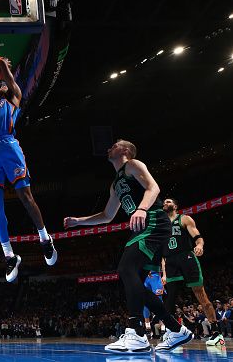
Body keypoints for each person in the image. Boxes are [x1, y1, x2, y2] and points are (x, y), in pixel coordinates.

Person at [63, 140, 193, 353]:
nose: (109, 147)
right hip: (142, 226)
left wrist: (141, 208)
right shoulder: (115, 184)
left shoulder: (132, 164)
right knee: (137, 285)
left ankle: (137, 333)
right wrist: (80, 221)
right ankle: (176, 329)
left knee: (126, 268)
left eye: (114, 145)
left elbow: (154, 187)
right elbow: (107, 216)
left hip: (152, 220)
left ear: (124, 150)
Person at [0, 57, 57, 282]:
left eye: (1, 83)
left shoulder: (14, 99)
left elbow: (9, 78)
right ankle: (10, 256)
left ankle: (45, 239)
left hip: (8, 147)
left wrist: (0, 65)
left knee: (25, 196)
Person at [161, 197, 225, 347]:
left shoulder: (184, 219)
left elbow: (198, 237)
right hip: (170, 261)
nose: (165, 203)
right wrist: (163, 273)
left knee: (200, 293)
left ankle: (216, 333)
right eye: (164, 202)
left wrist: (200, 246)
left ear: (175, 206)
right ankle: (173, 333)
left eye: (169, 202)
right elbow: (162, 254)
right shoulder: (161, 225)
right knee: (170, 297)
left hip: (186, 257)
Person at [143, 270, 165, 338]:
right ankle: (148, 331)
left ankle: (163, 332)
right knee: (145, 304)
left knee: (159, 303)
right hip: (145, 276)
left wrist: (164, 275)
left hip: (155, 276)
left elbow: (163, 262)